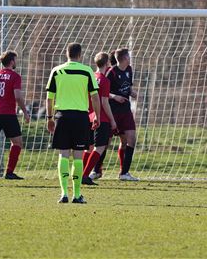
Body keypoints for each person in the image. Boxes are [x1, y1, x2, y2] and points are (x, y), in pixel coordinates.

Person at [46, 43, 101, 203]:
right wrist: (96, 116)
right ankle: (77, 195)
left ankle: (64, 194)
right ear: (80, 54)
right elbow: (95, 96)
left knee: (63, 154)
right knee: (78, 155)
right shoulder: (87, 71)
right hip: (80, 117)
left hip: (61, 116)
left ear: (67, 53)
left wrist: (49, 118)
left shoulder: (57, 71)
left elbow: (50, 97)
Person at [0, 50, 30, 180]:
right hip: (8, 114)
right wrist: (25, 111)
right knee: (17, 143)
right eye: (15, 59)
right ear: (12, 61)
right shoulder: (15, 76)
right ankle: (9, 172)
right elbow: (18, 96)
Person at [81, 52, 118, 186]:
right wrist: (112, 120)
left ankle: (80, 175)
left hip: (89, 116)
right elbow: (104, 102)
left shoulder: (90, 77)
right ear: (107, 63)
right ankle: (85, 175)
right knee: (100, 148)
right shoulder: (104, 80)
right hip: (101, 119)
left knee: (89, 148)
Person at [106, 48, 139, 181]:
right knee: (105, 142)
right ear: (125, 58)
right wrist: (115, 97)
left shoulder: (129, 70)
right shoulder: (111, 72)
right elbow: (103, 93)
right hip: (112, 110)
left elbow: (127, 87)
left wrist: (132, 93)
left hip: (125, 110)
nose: (130, 58)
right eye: (129, 56)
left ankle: (124, 173)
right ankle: (96, 170)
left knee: (130, 139)